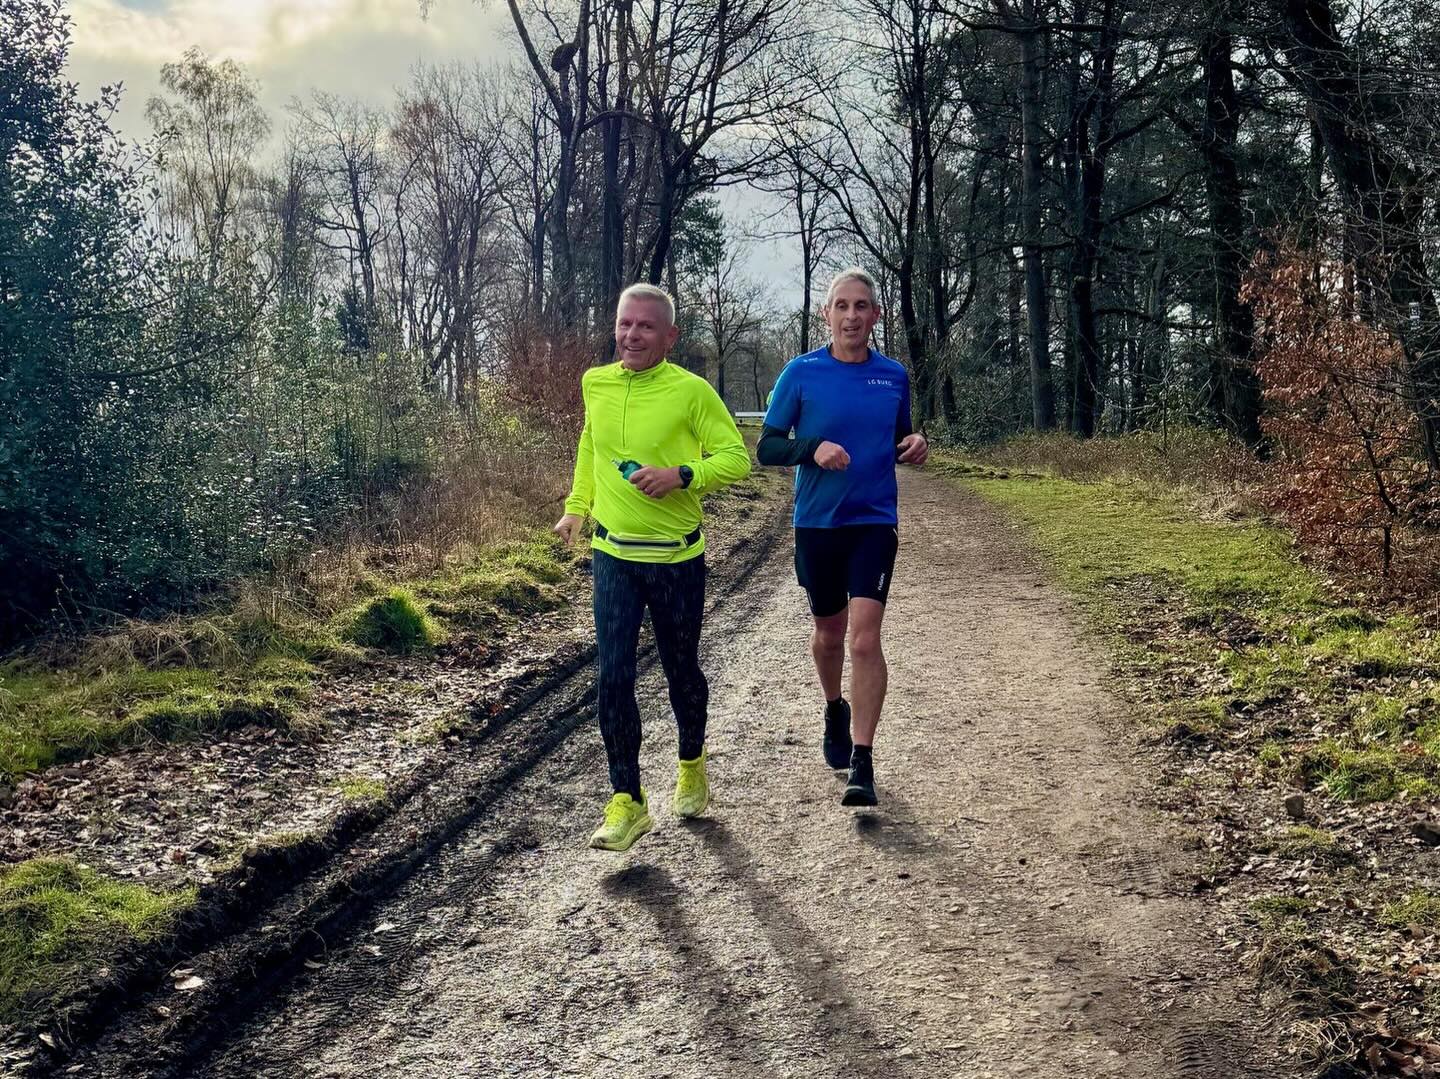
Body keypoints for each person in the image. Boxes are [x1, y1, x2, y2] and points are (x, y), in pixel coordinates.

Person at [554, 283, 752, 851]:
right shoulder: (595, 383)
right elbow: (591, 446)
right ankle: (627, 799)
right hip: (613, 554)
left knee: (680, 670)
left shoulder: (691, 391)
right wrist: (577, 508)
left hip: (675, 559)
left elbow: (735, 457)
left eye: (645, 326)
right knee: (613, 676)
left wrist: (682, 476)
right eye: (625, 323)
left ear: (670, 336)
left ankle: (691, 760)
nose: (632, 334)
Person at [755, 267, 928, 806]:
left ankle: (863, 760)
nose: (851, 316)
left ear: (876, 315)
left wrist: (915, 443)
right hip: (817, 524)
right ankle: (834, 707)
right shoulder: (801, 372)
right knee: (829, 634)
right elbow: (767, 447)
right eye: (842, 306)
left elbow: (899, 437)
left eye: (861, 306)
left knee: (864, 639)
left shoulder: (893, 376)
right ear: (825, 314)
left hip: (873, 522)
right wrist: (813, 448)